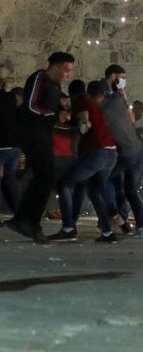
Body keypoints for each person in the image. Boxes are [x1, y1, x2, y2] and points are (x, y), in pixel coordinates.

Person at [5, 52, 74, 243]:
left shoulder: (55, 85)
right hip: (33, 136)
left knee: (45, 178)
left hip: (43, 136)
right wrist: (49, 113)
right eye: (66, 70)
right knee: (46, 176)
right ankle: (28, 221)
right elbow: (31, 105)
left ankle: (25, 219)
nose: (67, 75)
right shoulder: (39, 78)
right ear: (57, 66)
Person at [48, 81, 119, 243]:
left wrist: (79, 125)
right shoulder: (91, 102)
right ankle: (107, 233)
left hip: (97, 152)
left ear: (73, 94)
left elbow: (85, 122)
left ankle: (68, 228)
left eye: (67, 99)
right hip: (110, 152)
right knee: (94, 190)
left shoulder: (81, 99)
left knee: (65, 184)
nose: (66, 103)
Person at [100, 83, 143, 239]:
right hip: (137, 152)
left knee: (103, 180)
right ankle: (142, 225)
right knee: (130, 190)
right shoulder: (118, 103)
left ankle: (118, 217)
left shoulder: (106, 110)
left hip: (130, 154)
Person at [0, 84, 24, 213]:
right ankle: (20, 214)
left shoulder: (5, 104)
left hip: (3, 147)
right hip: (15, 147)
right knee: (10, 179)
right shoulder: (19, 110)